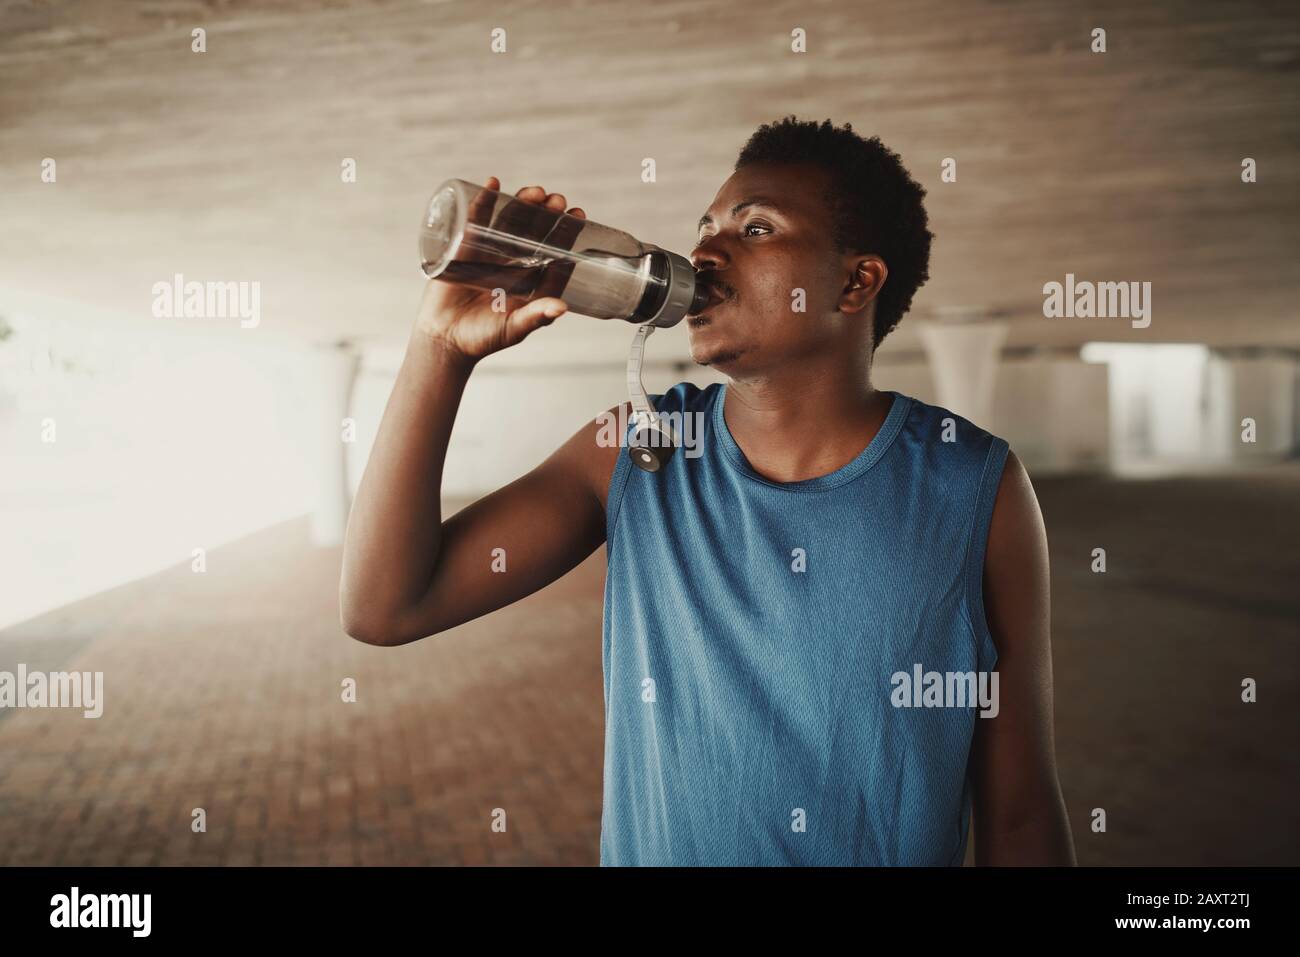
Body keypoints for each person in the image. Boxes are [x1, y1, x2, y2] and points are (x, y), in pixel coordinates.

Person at [340, 116, 1076, 867]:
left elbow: (1019, 817)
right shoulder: (634, 451)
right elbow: (386, 604)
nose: (704, 253)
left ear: (856, 281)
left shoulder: (974, 486)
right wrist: (439, 350)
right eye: (706, 227)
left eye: (756, 228)